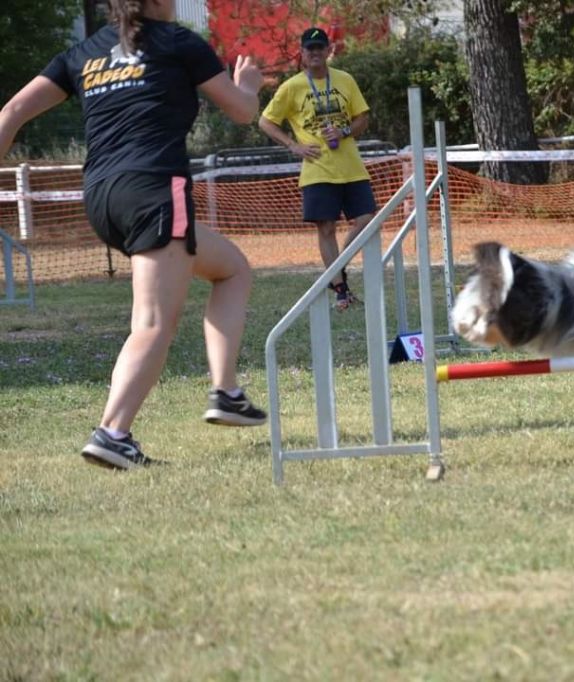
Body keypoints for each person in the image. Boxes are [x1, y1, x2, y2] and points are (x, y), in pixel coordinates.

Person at [0, 0, 268, 470]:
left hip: (103, 197)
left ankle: (226, 392)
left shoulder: (84, 53)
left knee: (231, 268)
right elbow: (243, 112)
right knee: (152, 324)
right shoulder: (181, 43)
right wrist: (248, 85)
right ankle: (113, 433)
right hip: (156, 189)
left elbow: (13, 111)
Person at [258, 27, 376, 311]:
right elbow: (265, 122)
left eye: (319, 47)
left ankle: (337, 269)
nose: (315, 53)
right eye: (310, 48)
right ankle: (340, 289)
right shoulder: (292, 86)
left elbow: (363, 118)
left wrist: (345, 130)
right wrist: (292, 145)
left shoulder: (345, 80)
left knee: (367, 221)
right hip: (317, 169)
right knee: (326, 228)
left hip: (351, 167)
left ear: (328, 50)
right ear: (302, 52)